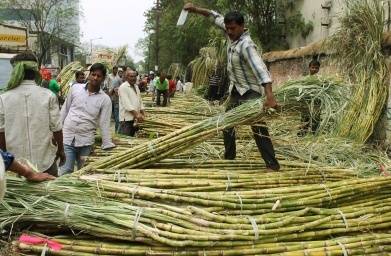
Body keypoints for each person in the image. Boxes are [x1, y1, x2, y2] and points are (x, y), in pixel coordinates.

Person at [185, 4, 280, 171]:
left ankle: (272, 165)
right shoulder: (231, 33)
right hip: (236, 90)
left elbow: (261, 70)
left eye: (233, 28)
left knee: (257, 126)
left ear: (242, 27)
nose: (229, 31)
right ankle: (230, 158)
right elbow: (214, 16)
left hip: (250, 91)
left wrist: (270, 97)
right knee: (226, 123)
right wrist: (195, 9)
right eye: (227, 28)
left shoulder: (246, 45)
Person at [0, 52, 65, 177]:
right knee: (50, 196)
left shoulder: (3, 98)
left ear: (15, 71)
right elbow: (57, 128)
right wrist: (61, 150)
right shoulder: (48, 95)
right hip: (45, 163)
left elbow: (1, 133)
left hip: (16, 167)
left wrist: (6, 161)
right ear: (36, 71)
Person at [60, 63, 115, 175]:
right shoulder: (75, 89)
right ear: (89, 75)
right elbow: (64, 110)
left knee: (83, 174)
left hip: (86, 142)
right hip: (67, 138)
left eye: (99, 76)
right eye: (93, 74)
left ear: (103, 79)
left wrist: (107, 144)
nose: (95, 77)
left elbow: (104, 124)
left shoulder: (105, 100)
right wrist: (57, 132)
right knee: (66, 171)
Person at [118, 70, 145, 136]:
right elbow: (127, 104)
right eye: (131, 76)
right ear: (127, 77)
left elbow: (140, 100)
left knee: (132, 139)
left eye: (135, 76)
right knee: (125, 138)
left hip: (135, 119)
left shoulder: (136, 86)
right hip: (127, 119)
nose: (133, 78)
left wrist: (143, 113)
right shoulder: (123, 87)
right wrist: (137, 115)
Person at [298, 59, 321, 136]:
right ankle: (301, 135)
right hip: (306, 103)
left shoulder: (320, 80)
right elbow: (301, 90)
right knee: (305, 119)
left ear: (319, 69)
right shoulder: (305, 79)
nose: (314, 69)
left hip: (316, 103)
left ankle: (315, 135)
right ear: (309, 68)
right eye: (313, 67)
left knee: (316, 119)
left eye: (317, 68)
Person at [108, 67, 123, 133]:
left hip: (117, 100)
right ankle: (116, 130)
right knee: (113, 114)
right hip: (111, 99)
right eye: (116, 70)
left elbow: (120, 90)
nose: (117, 71)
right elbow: (110, 89)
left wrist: (116, 91)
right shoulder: (109, 77)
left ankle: (117, 131)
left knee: (117, 117)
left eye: (120, 71)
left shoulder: (119, 79)